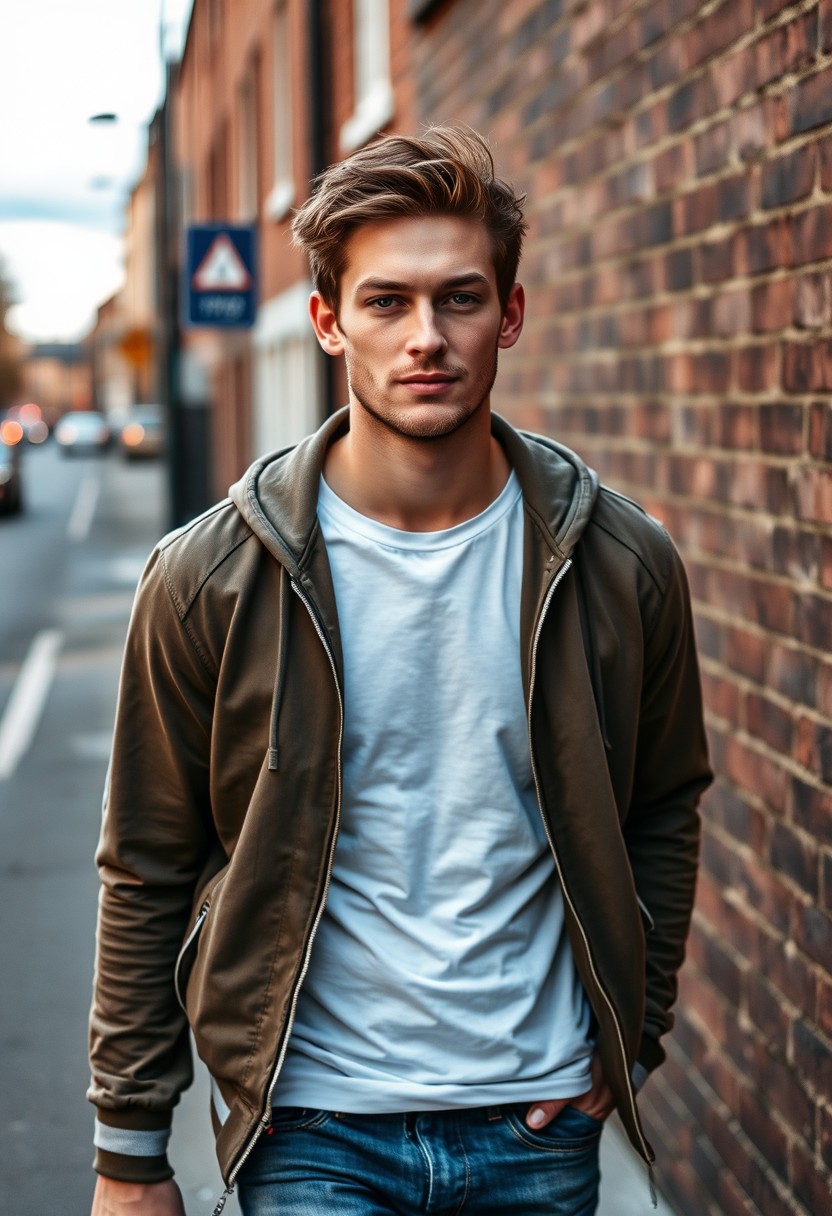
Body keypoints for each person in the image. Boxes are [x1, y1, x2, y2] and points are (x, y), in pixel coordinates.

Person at [88, 127, 711, 1216]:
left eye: (460, 299)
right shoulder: (209, 577)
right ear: (327, 321)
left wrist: (632, 1043)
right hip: (311, 1126)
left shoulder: (618, 564)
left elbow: (660, 807)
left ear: (509, 314)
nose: (426, 337)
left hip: (538, 1119)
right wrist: (130, 1151)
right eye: (385, 302)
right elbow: (147, 862)